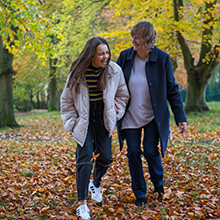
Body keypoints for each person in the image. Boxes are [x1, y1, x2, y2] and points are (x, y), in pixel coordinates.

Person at [116, 21, 187, 206]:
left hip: (152, 115)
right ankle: (139, 193)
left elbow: (172, 89)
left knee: (149, 150)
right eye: (133, 36)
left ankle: (158, 185)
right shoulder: (125, 57)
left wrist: (181, 118)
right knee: (132, 152)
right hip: (130, 114)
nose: (134, 40)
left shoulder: (162, 59)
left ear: (147, 39)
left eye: (137, 37)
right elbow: (112, 82)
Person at [60, 36, 129, 219]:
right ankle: (82, 204)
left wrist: (116, 111)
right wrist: (72, 123)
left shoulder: (114, 70)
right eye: (101, 53)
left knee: (106, 158)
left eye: (107, 52)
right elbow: (66, 101)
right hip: (83, 119)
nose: (105, 56)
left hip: (103, 118)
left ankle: (95, 183)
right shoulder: (77, 72)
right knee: (85, 158)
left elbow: (123, 95)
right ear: (91, 55)